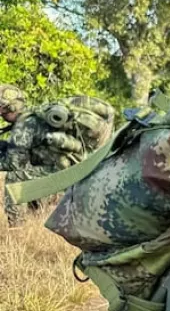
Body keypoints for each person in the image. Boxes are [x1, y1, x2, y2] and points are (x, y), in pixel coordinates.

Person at [0, 88, 115, 223]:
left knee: (15, 177)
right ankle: (36, 215)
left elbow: (13, 164)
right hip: (71, 166)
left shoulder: (23, 125)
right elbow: (23, 152)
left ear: (9, 108)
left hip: (63, 172)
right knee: (29, 171)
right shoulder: (34, 116)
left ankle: (17, 225)